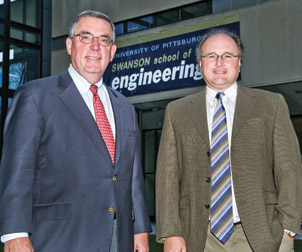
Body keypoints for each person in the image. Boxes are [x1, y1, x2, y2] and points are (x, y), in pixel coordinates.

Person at [0, 10, 151, 252]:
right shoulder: (34, 96)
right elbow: (18, 170)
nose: (95, 46)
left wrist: (141, 229)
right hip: (58, 238)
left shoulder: (124, 106)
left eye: (104, 40)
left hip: (117, 238)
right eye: (85, 37)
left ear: (112, 52)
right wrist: (15, 233)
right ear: (70, 45)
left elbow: (132, 176)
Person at [155, 28, 302, 252]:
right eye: (211, 56)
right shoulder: (177, 112)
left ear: (239, 63)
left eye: (228, 56)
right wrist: (171, 232)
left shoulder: (271, 105)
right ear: (200, 64)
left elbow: (289, 169)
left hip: (262, 234)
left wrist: (288, 230)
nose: (219, 62)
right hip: (199, 237)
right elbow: (167, 177)